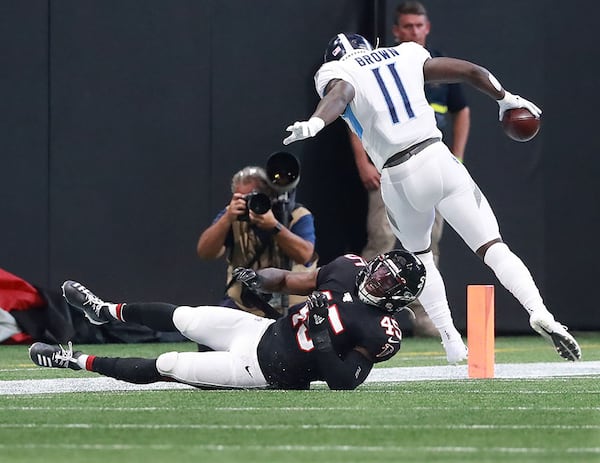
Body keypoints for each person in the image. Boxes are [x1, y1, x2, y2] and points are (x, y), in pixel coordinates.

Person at [282, 33, 581, 363]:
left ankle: (451, 340)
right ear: (372, 45)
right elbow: (471, 71)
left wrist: (315, 122)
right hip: (436, 157)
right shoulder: (405, 54)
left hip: (396, 175)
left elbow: (341, 94)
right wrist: (507, 98)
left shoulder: (338, 71)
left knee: (422, 258)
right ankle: (539, 311)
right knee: (494, 247)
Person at [28, 250, 426, 390]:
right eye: (380, 268)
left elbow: (343, 383)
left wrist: (321, 333)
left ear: (399, 295)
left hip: (262, 369)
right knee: (184, 316)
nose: (376, 277)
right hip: (260, 330)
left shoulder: (381, 331)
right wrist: (260, 276)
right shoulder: (346, 268)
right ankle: (104, 311)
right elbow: (289, 279)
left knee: (168, 365)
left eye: (387, 279)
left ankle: (73, 359)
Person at [351, 1, 471, 337]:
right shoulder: (381, 63)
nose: (413, 32)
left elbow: (461, 109)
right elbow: (352, 114)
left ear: (427, 28)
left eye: (419, 26)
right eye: (407, 26)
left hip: (433, 163)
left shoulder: (437, 62)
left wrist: (456, 157)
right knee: (382, 238)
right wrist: (363, 160)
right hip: (392, 166)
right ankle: (362, 312)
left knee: (429, 243)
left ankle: (424, 314)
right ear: (396, 30)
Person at [196, 164, 318, 318]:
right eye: (243, 198)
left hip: (294, 305)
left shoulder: (295, 214)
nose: (250, 202)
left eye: (255, 196)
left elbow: (305, 255)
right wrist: (227, 219)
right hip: (245, 304)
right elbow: (205, 252)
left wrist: (275, 226)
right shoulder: (232, 216)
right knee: (211, 330)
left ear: (269, 194)